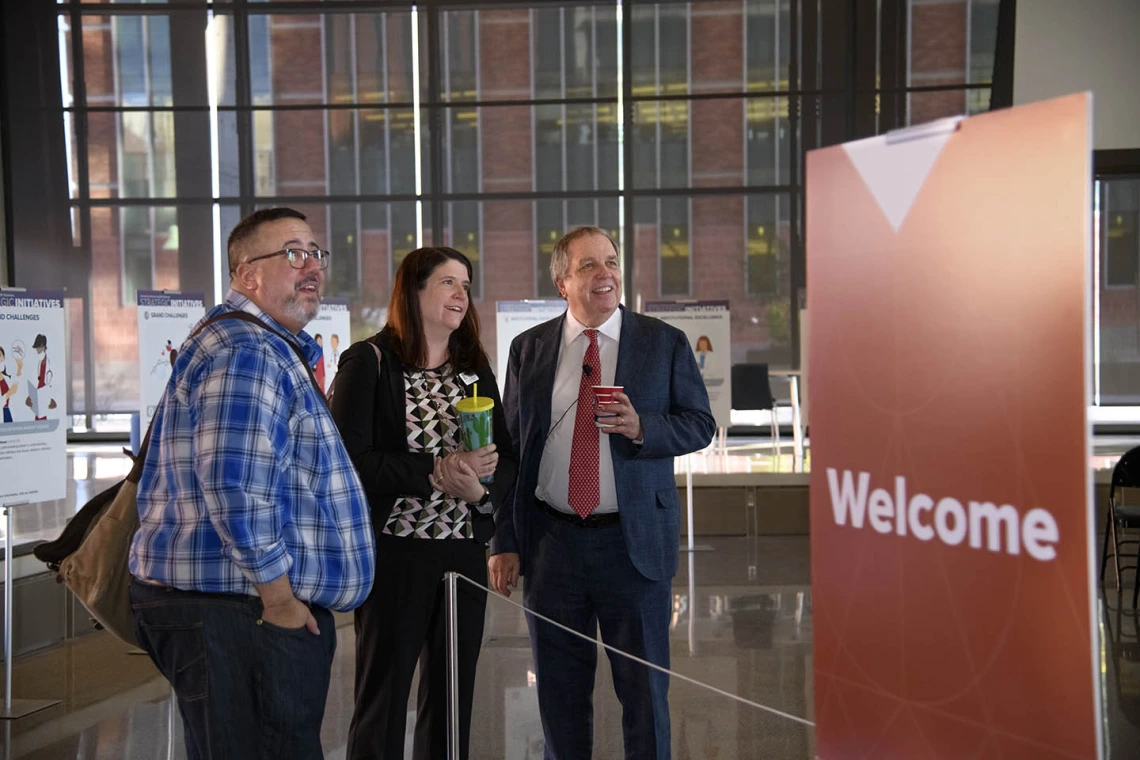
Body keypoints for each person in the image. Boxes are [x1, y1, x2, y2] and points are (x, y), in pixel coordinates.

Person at [128, 207, 376, 759]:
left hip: (239, 608)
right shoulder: (248, 352)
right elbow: (236, 487)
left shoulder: (255, 345)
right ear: (247, 275)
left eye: (315, 253)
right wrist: (281, 599)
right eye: (292, 254)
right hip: (243, 612)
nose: (310, 266)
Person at [489, 227, 715, 760]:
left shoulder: (663, 342)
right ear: (562, 281)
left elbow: (700, 425)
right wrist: (504, 537)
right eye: (588, 265)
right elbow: (514, 452)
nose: (605, 274)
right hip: (552, 546)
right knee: (559, 698)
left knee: (644, 697)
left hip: (632, 547)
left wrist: (642, 429)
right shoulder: (531, 348)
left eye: (610, 262)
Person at [331, 246, 517, 760]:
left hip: (461, 554)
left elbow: (508, 458)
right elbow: (351, 460)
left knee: (452, 695)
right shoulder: (369, 363)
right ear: (413, 292)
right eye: (447, 283)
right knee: (384, 696)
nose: (461, 294)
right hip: (396, 552)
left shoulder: (473, 367)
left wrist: (480, 493)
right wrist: (434, 474)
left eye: (466, 284)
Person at [0, 346, 21, 423]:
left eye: (0, 356)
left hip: (7, 412)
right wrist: (8, 394)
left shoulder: (7, 378)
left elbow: (15, 385)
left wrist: (19, 369)